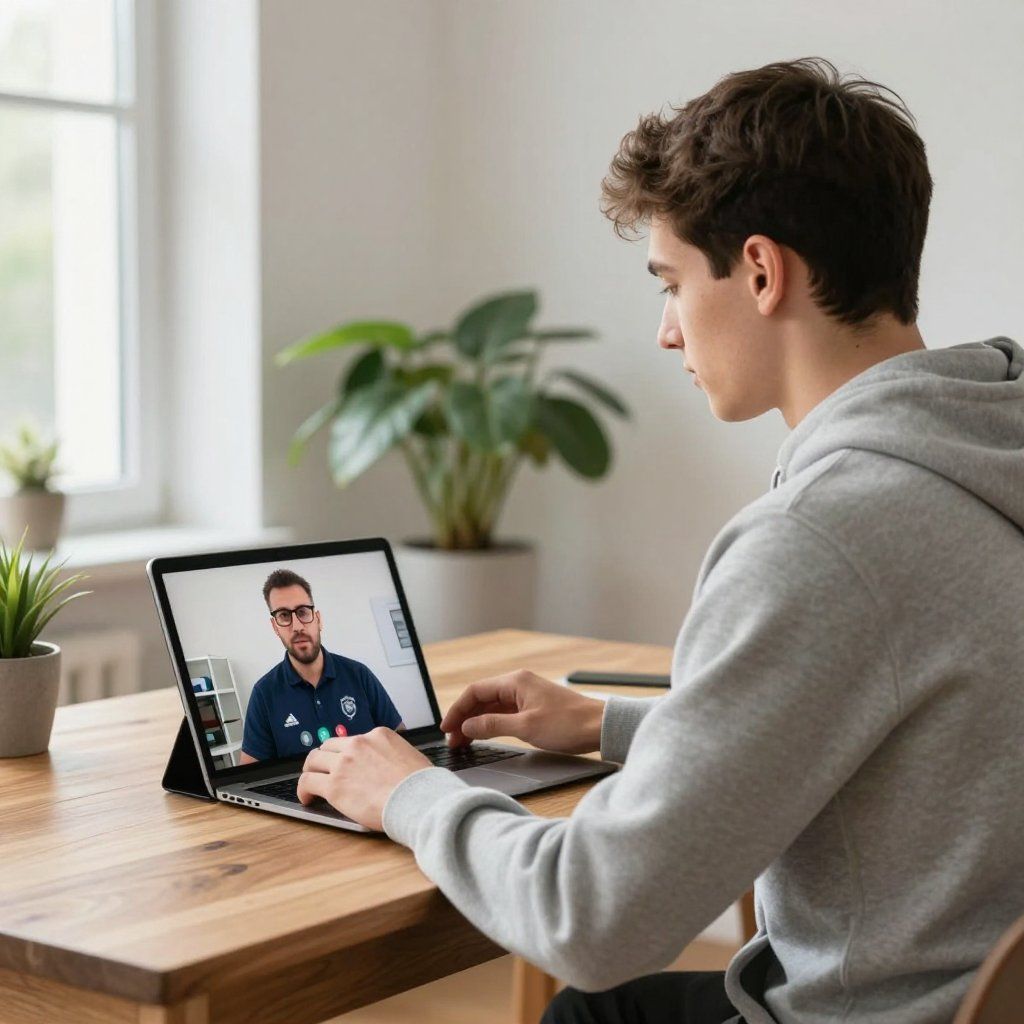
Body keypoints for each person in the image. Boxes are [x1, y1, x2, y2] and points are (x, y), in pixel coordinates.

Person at [294, 57, 1024, 1024]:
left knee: (590, 1007)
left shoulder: (822, 536)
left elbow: (591, 922)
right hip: (978, 992)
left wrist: (410, 793)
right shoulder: (987, 452)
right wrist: (610, 727)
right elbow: (900, 744)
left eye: (671, 283)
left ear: (761, 272)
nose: (667, 333)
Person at [239, 568, 403, 763]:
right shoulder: (263, 694)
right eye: (284, 616)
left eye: (302, 612)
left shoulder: (359, 674)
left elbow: (401, 741)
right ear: (275, 627)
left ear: (318, 619)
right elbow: (250, 776)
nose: (297, 626)